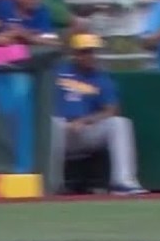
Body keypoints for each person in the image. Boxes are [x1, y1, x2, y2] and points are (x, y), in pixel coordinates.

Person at [49, 33, 147, 195]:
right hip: (60, 129)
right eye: (84, 51)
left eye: (92, 51)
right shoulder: (58, 73)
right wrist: (67, 123)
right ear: (74, 54)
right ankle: (52, 184)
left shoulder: (100, 77)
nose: (89, 56)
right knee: (54, 124)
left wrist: (86, 120)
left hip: (86, 131)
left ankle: (123, 181)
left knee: (120, 123)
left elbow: (112, 110)